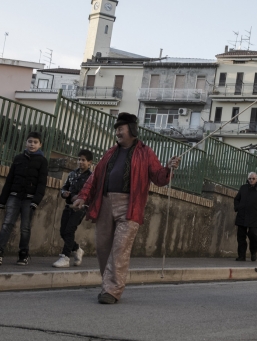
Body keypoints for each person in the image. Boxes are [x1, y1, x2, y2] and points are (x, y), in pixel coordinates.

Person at [72, 113, 181, 304]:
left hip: (129, 206)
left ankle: (112, 290)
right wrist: (82, 196)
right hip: (105, 203)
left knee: (120, 248)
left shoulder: (146, 153)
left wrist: (170, 168)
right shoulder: (109, 152)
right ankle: (108, 285)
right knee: (102, 246)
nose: (117, 132)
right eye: (116, 129)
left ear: (131, 129)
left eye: (120, 128)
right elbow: (94, 178)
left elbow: (159, 177)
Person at [0, 131, 48, 266]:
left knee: (25, 227)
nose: (32, 144)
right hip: (14, 196)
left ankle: (23, 254)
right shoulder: (18, 158)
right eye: (30, 141)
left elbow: (42, 183)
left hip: (29, 199)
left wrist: (36, 201)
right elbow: (10, 179)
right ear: (26, 142)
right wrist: (2, 200)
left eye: (35, 142)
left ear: (40, 145)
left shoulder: (42, 161)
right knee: (7, 224)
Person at [53, 149, 94, 268]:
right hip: (68, 205)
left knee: (70, 230)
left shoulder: (91, 177)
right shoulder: (72, 174)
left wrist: (81, 198)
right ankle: (77, 249)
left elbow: (91, 194)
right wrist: (65, 193)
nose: (80, 162)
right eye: (79, 159)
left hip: (80, 207)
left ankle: (65, 257)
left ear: (89, 162)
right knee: (63, 231)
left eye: (83, 160)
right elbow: (64, 188)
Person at [233, 171, 257, 262]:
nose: (251, 180)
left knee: (253, 235)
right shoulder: (243, 188)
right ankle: (241, 256)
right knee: (241, 237)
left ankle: (253, 252)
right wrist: (237, 207)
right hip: (242, 215)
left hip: (254, 217)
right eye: (250, 178)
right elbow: (237, 199)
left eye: (253, 178)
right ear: (247, 179)